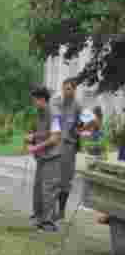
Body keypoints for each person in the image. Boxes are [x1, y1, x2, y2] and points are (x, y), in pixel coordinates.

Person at [25, 86, 62, 233]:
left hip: (52, 157)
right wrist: (31, 137)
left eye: (34, 100)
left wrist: (36, 147)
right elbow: (38, 131)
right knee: (38, 189)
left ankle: (48, 223)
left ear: (41, 99)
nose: (33, 103)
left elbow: (55, 137)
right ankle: (38, 218)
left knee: (48, 190)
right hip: (42, 157)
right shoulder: (39, 113)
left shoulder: (55, 114)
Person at [54, 79, 81, 220]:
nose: (66, 91)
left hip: (69, 149)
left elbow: (92, 123)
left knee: (65, 181)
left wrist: (77, 132)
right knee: (53, 179)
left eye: (69, 89)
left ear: (74, 90)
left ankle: (61, 211)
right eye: (64, 88)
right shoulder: (57, 103)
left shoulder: (78, 106)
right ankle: (51, 210)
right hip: (55, 146)